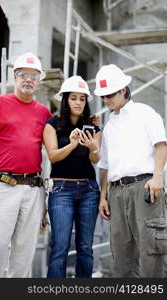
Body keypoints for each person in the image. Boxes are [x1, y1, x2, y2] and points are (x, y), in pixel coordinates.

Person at [0, 52, 52, 277]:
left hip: (33, 188)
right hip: (3, 186)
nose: (28, 79)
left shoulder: (43, 112)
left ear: (39, 80)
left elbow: (55, 146)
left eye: (33, 75)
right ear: (15, 76)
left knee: (24, 253)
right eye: (23, 74)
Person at [95, 64, 167, 278]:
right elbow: (105, 166)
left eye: (109, 95)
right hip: (116, 193)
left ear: (123, 90)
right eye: (103, 97)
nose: (106, 100)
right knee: (122, 256)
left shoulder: (144, 113)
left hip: (144, 188)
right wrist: (103, 197)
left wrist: (157, 177)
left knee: (151, 252)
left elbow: (161, 145)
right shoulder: (109, 126)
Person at [43, 75, 101, 278]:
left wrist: (93, 147)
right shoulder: (52, 124)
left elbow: (95, 159)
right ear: (65, 99)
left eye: (82, 98)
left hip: (89, 190)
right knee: (60, 247)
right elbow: (53, 156)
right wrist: (73, 143)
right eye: (74, 98)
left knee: (85, 247)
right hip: (61, 191)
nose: (78, 102)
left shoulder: (93, 127)